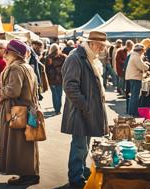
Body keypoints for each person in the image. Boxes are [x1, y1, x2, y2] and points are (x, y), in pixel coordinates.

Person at [61, 31, 108, 189]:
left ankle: (81, 170)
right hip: (80, 111)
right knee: (80, 145)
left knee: (84, 145)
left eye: (103, 45)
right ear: (92, 43)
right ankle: (75, 177)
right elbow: (70, 87)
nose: (102, 48)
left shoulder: (88, 56)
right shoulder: (76, 57)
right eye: (100, 45)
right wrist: (86, 105)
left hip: (87, 110)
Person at [0, 39, 40, 185]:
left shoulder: (15, 68)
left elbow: (13, 91)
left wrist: (0, 91)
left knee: (19, 144)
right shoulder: (26, 66)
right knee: (26, 143)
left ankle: (27, 175)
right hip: (25, 109)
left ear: (13, 53)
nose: (5, 55)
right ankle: (29, 173)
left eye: (7, 52)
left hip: (17, 110)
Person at [125, 43, 150, 116]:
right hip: (135, 77)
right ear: (140, 50)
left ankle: (131, 111)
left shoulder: (134, 55)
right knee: (135, 96)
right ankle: (134, 112)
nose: (143, 52)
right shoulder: (136, 56)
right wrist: (148, 66)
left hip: (133, 77)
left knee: (133, 95)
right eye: (143, 50)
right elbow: (141, 66)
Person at [46, 43, 67, 114]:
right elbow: (66, 68)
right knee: (60, 94)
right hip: (61, 79)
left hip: (52, 79)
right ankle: (58, 109)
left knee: (54, 95)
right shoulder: (63, 57)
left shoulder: (48, 57)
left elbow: (46, 70)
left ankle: (56, 109)